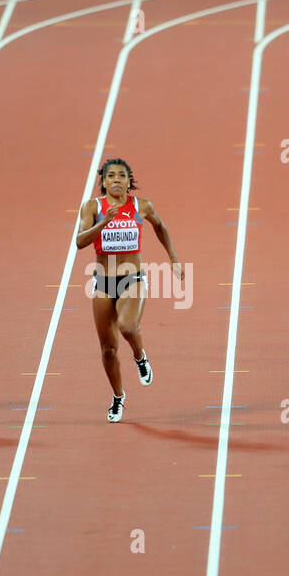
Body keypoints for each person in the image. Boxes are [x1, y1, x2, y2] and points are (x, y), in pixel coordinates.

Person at [75, 158, 180, 423]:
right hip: (103, 283)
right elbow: (79, 241)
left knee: (128, 327)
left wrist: (173, 258)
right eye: (111, 176)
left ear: (129, 181)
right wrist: (103, 223)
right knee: (108, 349)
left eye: (122, 175)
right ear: (105, 182)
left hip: (132, 279)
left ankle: (140, 356)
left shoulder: (141, 206)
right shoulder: (92, 207)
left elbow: (160, 226)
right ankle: (118, 397)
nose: (117, 180)